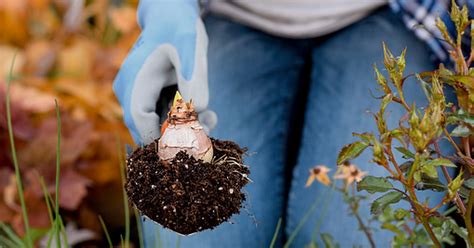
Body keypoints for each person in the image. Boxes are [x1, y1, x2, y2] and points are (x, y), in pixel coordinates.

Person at [113, 0, 467, 247]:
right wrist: (166, 10)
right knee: (191, 228)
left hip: (393, 18)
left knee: (356, 236)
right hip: (232, 17)